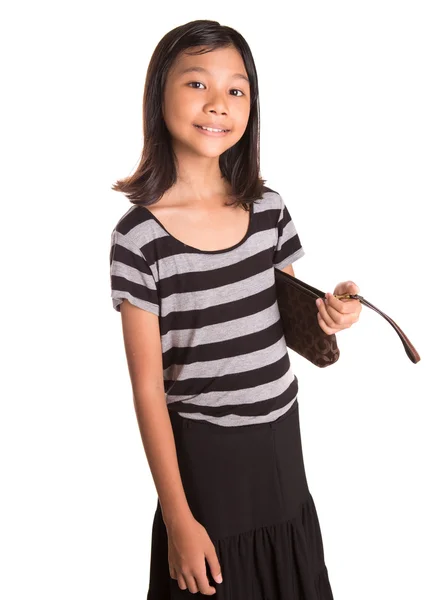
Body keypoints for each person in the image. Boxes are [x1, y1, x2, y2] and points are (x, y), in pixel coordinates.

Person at [109, 19, 362, 599]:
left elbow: (292, 326)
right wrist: (178, 517)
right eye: (198, 84)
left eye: (236, 89)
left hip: (282, 455)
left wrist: (331, 314)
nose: (218, 103)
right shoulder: (139, 238)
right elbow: (148, 388)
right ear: (159, 94)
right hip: (206, 472)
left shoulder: (269, 209)